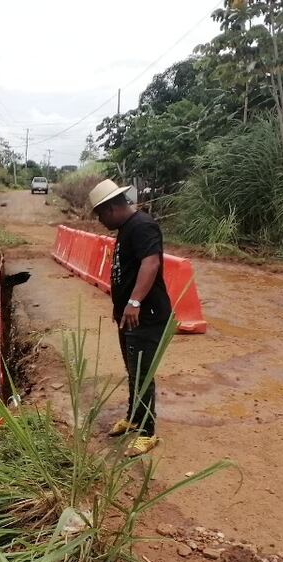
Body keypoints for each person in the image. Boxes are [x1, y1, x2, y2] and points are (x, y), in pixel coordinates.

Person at [88, 179, 173, 457]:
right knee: (133, 371)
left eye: (100, 215)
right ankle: (134, 417)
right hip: (130, 317)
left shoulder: (143, 226)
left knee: (142, 373)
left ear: (112, 208)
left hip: (146, 315)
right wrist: (121, 309)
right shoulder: (126, 229)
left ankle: (147, 433)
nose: (100, 221)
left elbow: (151, 263)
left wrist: (134, 302)